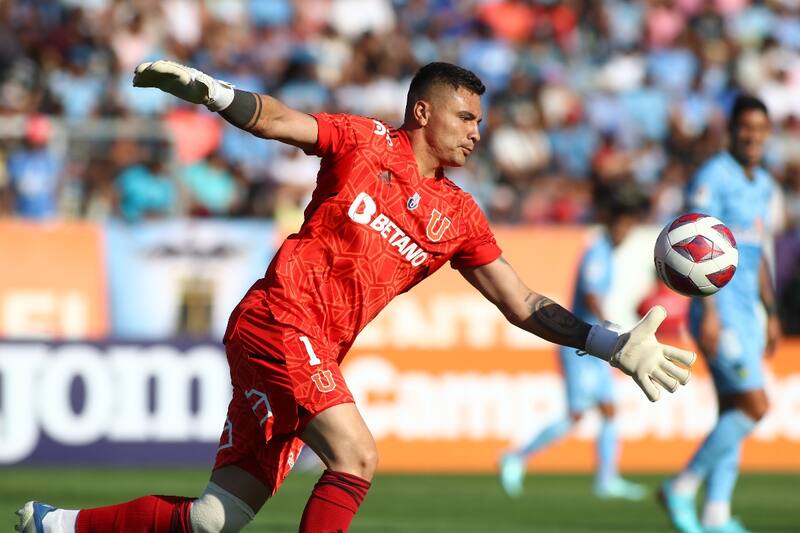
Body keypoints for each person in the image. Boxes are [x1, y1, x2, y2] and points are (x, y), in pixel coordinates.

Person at [16, 60, 695, 533]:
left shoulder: (460, 215)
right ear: (423, 111)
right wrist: (213, 94)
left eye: (480, 121)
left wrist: (608, 343)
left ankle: (57, 524)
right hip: (278, 317)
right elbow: (282, 120)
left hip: (311, 348)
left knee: (214, 520)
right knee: (357, 454)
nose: (476, 131)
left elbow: (521, 302)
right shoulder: (366, 142)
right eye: (465, 117)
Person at [658, 95, 781, 533]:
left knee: (733, 410)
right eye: (745, 127)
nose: (752, 136)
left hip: (749, 315)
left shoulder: (764, 183)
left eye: (760, 128)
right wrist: (708, 312)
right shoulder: (713, 177)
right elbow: (694, 251)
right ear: (730, 131)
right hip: (721, 312)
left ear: (768, 133)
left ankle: (716, 513)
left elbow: (758, 251)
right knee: (755, 406)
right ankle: (681, 486)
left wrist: (771, 311)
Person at [499, 187, 648, 501]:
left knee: (609, 409)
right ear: (611, 223)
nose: (625, 233)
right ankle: (516, 457)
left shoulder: (606, 253)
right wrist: (609, 326)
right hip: (581, 345)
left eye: (630, 227)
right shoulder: (597, 251)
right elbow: (591, 294)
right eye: (623, 226)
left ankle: (607, 479)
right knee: (576, 415)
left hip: (596, 344)